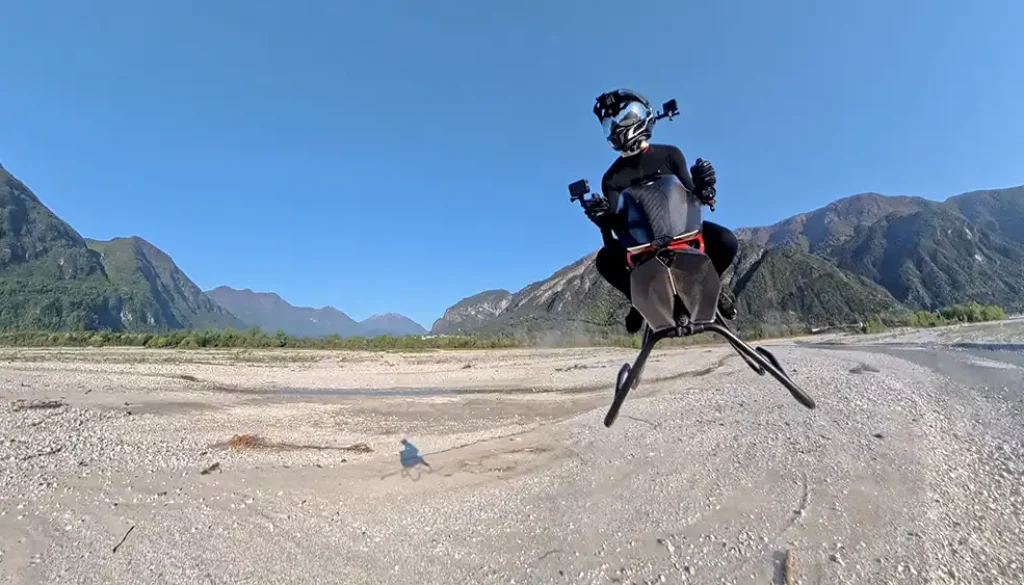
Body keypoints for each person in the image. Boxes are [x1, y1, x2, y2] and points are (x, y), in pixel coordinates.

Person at [582, 89, 739, 334]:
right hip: (640, 244)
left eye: (622, 118)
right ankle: (638, 302)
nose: (616, 127)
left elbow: (692, 197)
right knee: (605, 261)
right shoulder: (611, 178)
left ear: (638, 116)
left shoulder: (670, 154)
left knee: (726, 241)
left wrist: (705, 186)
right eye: (609, 123)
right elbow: (614, 222)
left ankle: (714, 289)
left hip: (683, 232)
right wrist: (600, 218)